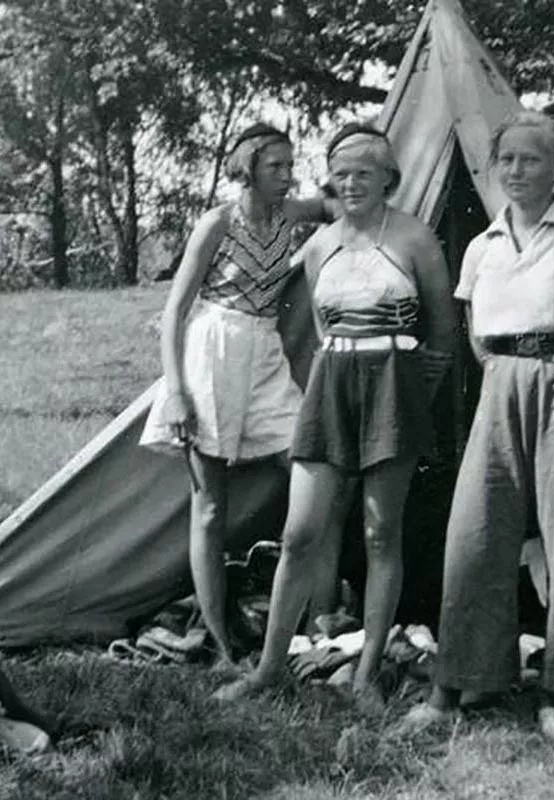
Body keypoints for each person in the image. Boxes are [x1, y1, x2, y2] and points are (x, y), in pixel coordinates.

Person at [400, 110, 554, 744]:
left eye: (532, 159)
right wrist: (509, 376)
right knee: (475, 534)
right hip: (503, 381)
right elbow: (476, 336)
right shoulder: (482, 247)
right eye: (507, 160)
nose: (516, 170)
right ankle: (458, 684)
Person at [213, 122, 457, 714]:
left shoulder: (415, 238)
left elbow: (444, 335)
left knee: (379, 532)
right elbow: (324, 330)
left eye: (364, 174)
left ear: (388, 179)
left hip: (393, 388)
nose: (351, 184)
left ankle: (367, 672)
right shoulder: (319, 244)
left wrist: (404, 386)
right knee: (300, 532)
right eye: (341, 174)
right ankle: (270, 668)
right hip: (331, 386)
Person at [140, 122, 351, 669]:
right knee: (210, 507)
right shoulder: (217, 222)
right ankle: (221, 643)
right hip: (211, 349)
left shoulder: (287, 212)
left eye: (289, 165)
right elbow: (175, 311)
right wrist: (177, 392)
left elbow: (335, 205)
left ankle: (317, 626)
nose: (286, 175)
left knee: (311, 469)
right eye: (275, 166)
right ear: (248, 168)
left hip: (264, 351)